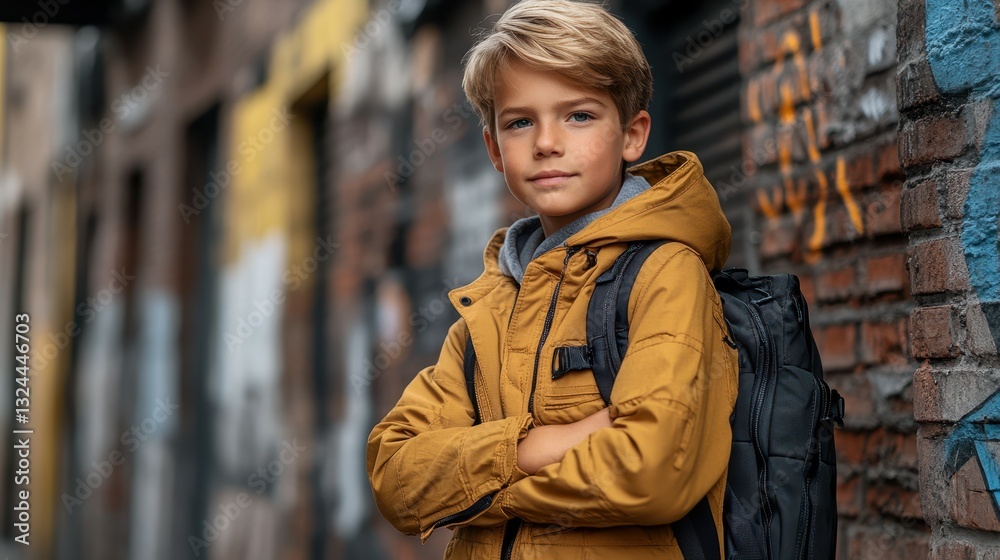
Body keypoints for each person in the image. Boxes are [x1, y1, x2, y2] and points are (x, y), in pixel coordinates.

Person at [367, 1, 738, 557]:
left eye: (579, 116)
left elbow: (652, 468)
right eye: (520, 122)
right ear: (494, 148)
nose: (546, 142)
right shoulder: (487, 310)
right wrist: (541, 446)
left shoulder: (665, 272)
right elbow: (395, 475)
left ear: (633, 135)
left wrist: (475, 488)